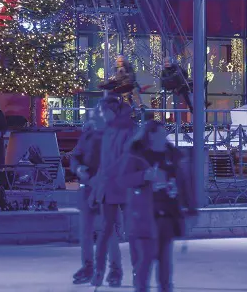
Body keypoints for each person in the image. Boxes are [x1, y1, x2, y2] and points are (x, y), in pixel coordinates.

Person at [119, 121, 197, 292]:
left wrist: (190, 207)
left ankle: (165, 288)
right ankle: (141, 288)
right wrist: (144, 175)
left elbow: (184, 183)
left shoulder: (172, 156)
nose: (164, 138)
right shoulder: (137, 155)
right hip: (145, 216)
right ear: (150, 135)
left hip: (167, 215)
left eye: (165, 134)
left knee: (165, 262)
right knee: (146, 259)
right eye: (160, 134)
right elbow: (123, 179)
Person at [69, 108, 119, 285]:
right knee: (86, 232)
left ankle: (114, 270)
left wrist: (97, 179)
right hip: (87, 189)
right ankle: (88, 266)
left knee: (108, 232)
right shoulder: (88, 136)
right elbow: (75, 156)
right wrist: (78, 168)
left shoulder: (112, 137)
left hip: (105, 189)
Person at [90, 95, 135, 288]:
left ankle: (134, 268)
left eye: (102, 112)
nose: (101, 115)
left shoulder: (128, 130)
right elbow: (104, 162)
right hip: (109, 187)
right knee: (107, 232)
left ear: (111, 111)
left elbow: (127, 158)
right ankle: (108, 270)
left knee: (132, 232)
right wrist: (96, 189)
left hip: (125, 186)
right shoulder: (107, 132)